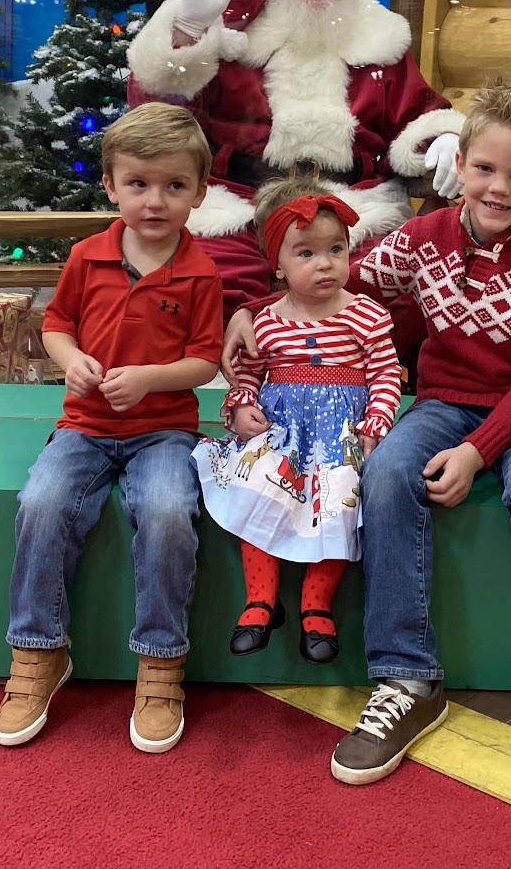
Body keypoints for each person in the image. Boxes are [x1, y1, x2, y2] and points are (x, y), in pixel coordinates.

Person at [224, 79, 511, 784]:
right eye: (485, 169)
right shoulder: (423, 240)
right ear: (460, 165)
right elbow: (332, 277)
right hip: (442, 402)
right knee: (386, 473)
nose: (499, 188)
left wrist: (475, 453)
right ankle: (407, 677)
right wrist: (253, 307)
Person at [126, 0, 466, 337]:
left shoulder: (379, 36)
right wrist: (188, 31)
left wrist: (442, 137)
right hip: (240, 204)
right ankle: (230, 373)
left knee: (384, 289)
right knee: (200, 284)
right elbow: (157, 113)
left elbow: (418, 112)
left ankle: (336, 374)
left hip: (350, 211)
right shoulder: (234, 31)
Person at [0, 102, 223, 755]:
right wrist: (71, 361)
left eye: (174, 186)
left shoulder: (201, 272)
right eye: (138, 184)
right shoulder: (87, 256)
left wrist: (150, 378)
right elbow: (56, 324)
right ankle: (37, 652)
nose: (155, 201)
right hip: (85, 425)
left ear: (200, 192)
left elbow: (205, 361)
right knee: (42, 502)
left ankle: (162, 662)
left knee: (169, 512)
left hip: (164, 431)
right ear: (111, 185)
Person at [193, 173, 401, 665]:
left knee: (340, 507)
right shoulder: (265, 321)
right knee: (255, 490)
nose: (325, 263)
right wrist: (243, 402)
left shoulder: (367, 315)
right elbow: (248, 372)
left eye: (336, 249)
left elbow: (386, 373)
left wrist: (376, 421)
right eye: (306, 254)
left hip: (341, 436)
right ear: (278, 265)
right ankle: (261, 601)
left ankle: (316, 606)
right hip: (282, 433)